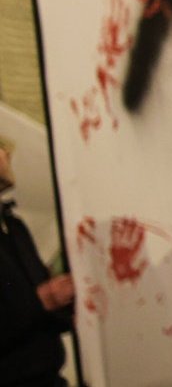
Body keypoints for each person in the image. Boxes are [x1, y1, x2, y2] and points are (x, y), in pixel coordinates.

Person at [0, 137, 74, 387]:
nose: (7, 154)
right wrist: (41, 301)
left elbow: (45, 308)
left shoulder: (15, 226)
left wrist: (69, 307)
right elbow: (39, 302)